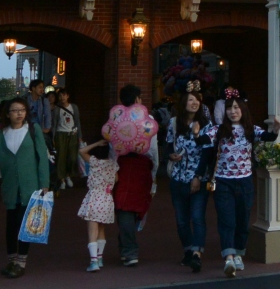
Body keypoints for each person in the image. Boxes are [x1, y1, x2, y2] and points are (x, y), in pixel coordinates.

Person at [0, 96, 52, 278]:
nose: (19, 114)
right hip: (10, 187)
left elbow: (42, 158)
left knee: (25, 224)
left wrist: (45, 184)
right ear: (7, 114)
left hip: (31, 186)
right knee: (11, 224)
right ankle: (11, 260)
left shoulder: (33, 130)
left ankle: (21, 262)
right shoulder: (2, 134)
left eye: (22, 110)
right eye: (15, 111)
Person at [204, 90, 277, 277]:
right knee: (227, 220)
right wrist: (196, 133)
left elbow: (269, 137)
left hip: (245, 181)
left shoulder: (251, 129)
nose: (233, 111)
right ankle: (228, 257)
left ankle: (238, 254)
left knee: (243, 221)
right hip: (223, 182)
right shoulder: (219, 130)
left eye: (236, 108)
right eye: (229, 108)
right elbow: (202, 140)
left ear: (243, 110)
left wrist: (276, 129)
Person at [166, 85, 212, 273]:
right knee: (181, 220)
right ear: (183, 103)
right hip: (178, 177)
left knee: (197, 217)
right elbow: (168, 145)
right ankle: (187, 250)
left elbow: (207, 152)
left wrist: (198, 177)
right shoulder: (174, 123)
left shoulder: (206, 125)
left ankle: (196, 254)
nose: (194, 103)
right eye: (191, 100)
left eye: (197, 100)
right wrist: (170, 155)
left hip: (198, 177)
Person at [112, 83, 158, 267]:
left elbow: (112, 147)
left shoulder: (116, 118)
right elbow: (153, 150)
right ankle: (129, 249)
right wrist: (154, 173)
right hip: (142, 167)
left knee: (123, 206)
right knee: (136, 207)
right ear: (138, 99)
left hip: (122, 167)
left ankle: (127, 247)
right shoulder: (148, 120)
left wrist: (112, 168)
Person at [78, 140, 117, 271]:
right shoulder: (113, 164)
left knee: (92, 231)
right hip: (107, 199)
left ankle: (93, 261)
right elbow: (117, 178)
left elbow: (81, 151)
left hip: (94, 198)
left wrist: (96, 143)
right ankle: (100, 258)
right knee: (101, 229)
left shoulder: (94, 162)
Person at [53, 89, 82, 189]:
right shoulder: (57, 109)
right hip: (60, 134)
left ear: (67, 96)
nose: (62, 98)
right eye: (60, 96)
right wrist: (53, 137)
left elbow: (77, 122)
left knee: (72, 157)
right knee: (61, 157)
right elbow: (54, 123)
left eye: (64, 95)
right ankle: (62, 179)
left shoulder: (74, 107)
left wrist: (79, 136)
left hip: (72, 134)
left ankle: (68, 176)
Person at [26, 80, 52, 144]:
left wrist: (47, 128)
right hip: (27, 128)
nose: (42, 90)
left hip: (40, 128)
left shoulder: (44, 100)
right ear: (33, 88)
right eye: (40, 87)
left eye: (43, 87)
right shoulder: (25, 99)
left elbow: (47, 115)